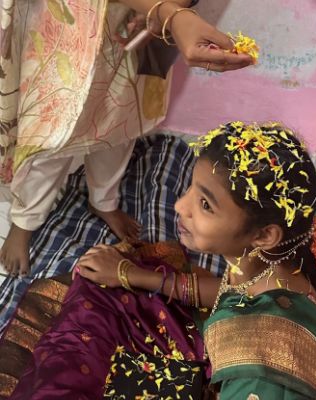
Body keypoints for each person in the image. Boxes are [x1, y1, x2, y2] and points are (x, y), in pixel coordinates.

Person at [3, 122, 316, 399]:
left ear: (264, 235)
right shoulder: (279, 266)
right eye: (191, 190)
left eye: (205, 205)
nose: (179, 207)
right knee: (104, 292)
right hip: (215, 360)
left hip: (227, 380)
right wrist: (129, 274)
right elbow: (229, 291)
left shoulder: (260, 378)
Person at [0, 0, 253, 277]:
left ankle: (103, 201)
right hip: (72, 24)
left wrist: (171, 9)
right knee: (56, 136)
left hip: (138, 26)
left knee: (122, 124)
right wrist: (166, 12)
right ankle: (24, 222)